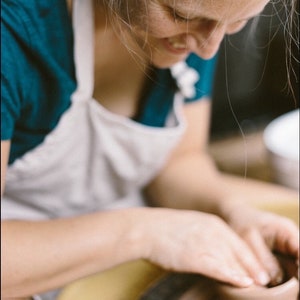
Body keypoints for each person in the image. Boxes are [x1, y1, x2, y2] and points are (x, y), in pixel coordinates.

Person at [1, 0, 299, 299]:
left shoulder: (202, 25)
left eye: (237, 22)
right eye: (181, 15)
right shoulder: (11, 31)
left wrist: (231, 211)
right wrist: (145, 233)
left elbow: (178, 161)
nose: (208, 48)